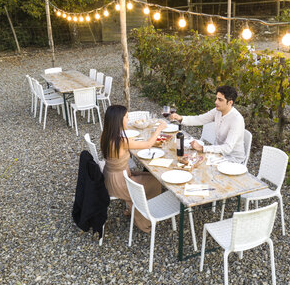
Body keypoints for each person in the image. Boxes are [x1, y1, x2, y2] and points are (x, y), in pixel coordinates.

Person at [100, 105, 167, 233]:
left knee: (150, 176)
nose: (128, 119)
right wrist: (159, 128)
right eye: (126, 117)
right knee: (156, 181)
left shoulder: (105, 135)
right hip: (119, 183)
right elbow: (148, 144)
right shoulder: (121, 141)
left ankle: (133, 208)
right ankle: (145, 216)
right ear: (118, 120)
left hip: (110, 176)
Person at [170, 85, 246, 163]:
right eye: (216, 98)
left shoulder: (237, 120)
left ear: (230, 102)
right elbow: (199, 119)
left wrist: (203, 148)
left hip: (233, 161)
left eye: (220, 100)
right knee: (187, 160)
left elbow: (227, 148)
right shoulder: (217, 111)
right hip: (217, 155)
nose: (216, 102)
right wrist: (180, 118)